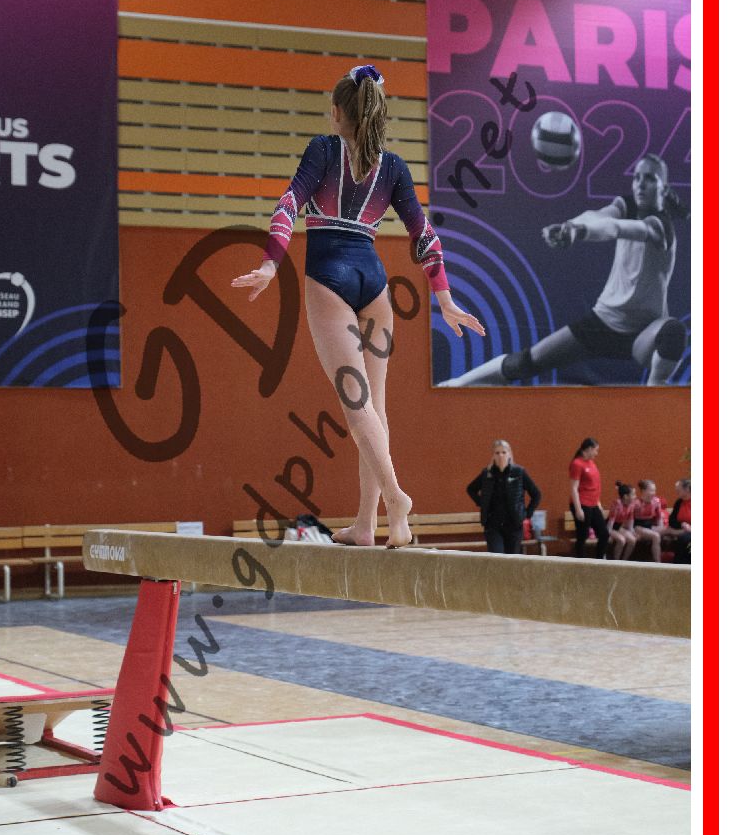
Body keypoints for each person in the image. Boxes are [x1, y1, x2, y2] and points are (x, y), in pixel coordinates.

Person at [232, 63, 484, 548]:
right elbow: (424, 235)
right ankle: (368, 525)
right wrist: (445, 298)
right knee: (375, 409)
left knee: (356, 406)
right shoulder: (394, 168)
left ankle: (395, 498)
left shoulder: (323, 150)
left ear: (336, 113)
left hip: (329, 278)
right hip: (374, 285)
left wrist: (269, 264)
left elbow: (288, 205)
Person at [441, 154, 688, 387]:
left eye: (650, 178)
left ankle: (655, 398)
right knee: (527, 361)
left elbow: (616, 228)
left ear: (664, 188)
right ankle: (458, 384)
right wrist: (571, 227)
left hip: (643, 333)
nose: (640, 184)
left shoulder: (660, 226)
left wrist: (581, 231)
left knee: (674, 332)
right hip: (603, 322)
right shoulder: (627, 205)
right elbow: (598, 216)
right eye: (637, 177)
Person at [466, 439, 541, 554]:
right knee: (497, 556)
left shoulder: (518, 472)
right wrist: (482, 503)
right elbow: (471, 489)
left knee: (511, 559)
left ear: (509, 454)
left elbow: (536, 494)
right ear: (493, 456)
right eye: (497, 453)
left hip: (514, 524)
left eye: (503, 452)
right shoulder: (487, 474)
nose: (500, 455)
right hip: (493, 525)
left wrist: (526, 514)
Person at [569, 437, 609, 559]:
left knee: (604, 534)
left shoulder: (591, 463)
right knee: (582, 536)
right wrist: (578, 509)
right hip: (582, 504)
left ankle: (599, 562)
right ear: (589, 449)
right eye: (596, 450)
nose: (597, 453)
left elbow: (595, 486)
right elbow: (574, 488)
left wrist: (599, 504)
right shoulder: (577, 464)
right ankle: (581, 563)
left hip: (593, 504)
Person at [631, 479, 667, 562]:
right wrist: (632, 531)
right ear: (644, 491)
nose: (654, 493)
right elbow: (630, 519)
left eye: (654, 490)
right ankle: (658, 563)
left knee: (670, 530)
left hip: (649, 525)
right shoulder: (636, 503)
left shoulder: (656, 501)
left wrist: (662, 528)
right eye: (651, 490)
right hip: (638, 526)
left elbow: (659, 518)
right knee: (656, 536)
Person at [605, 482, 637, 561]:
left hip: (618, 527)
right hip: (609, 527)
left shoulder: (631, 505)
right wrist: (607, 534)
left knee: (633, 540)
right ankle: (617, 561)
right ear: (626, 496)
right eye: (633, 494)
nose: (635, 496)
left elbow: (631, 519)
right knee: (621, 540)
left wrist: (632, 531)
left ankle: (624, 561)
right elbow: (611, 521)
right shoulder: (617, 504)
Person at [665, 478, 691, 564]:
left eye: (679, 489)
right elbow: (672, 520)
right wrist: (682, 524)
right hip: (682, 530)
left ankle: (682, 564)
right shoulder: (679, 502)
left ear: (687, 489)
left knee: (684, 538)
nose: (676, 491)